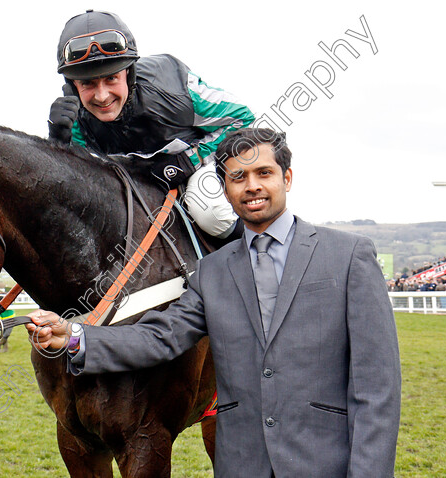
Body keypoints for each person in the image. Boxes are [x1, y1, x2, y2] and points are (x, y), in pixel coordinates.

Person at [26, 128, 401, 477]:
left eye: (264, 173)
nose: (252, 186)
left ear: (287, 178)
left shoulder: (350, 255)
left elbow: (377, 387)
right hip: (241, 463)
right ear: (224, 189)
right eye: (238, 177)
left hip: (324, 462)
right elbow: (160, 338)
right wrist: (74, 336)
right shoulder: (211, 271)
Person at [48, 10, 255, 242]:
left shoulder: (173, 91)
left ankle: (259, 252)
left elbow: (244, 120)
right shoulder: (75, 120)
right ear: (72, 86)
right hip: (141, 179)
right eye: (88, 83)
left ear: (129, 73)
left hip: (198, 166)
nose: (102, 96)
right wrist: (56, 143)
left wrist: (189, 161)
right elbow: (78, 182)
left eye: (111, 79)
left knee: (208, 210)